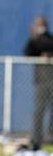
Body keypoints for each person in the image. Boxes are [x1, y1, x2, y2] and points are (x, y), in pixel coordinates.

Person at [23, 15, 53, 147]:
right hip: (41, 80)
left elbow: (49, 45)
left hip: (51, 78)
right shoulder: (34, 40)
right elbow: (28, 52)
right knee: (39, 109)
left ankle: (51, 135)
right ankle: (37, 137)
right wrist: (33, 35)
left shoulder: (49, 38)